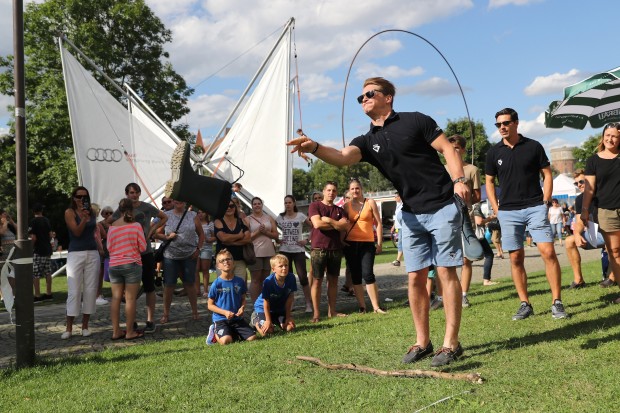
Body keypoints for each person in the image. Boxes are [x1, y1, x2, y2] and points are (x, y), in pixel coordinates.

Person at [288, 77, 468, 367]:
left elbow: (448, 149)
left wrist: (459, 181)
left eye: (369, 94)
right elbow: (342, 157)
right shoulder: (367, 141)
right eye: (360, 98)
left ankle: (451, 344)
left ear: (388, 97)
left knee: (446, 273)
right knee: (415, 277)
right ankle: (423, 342)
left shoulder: (416, 121)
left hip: (442, 205)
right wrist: (315, 146)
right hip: (410, 214)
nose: (364, 100)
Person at [485, 107, 568, 320]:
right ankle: (525, 304)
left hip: (534, 206)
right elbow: (489, 182)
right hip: (508, 211)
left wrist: (546, 200)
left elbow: (547, 174)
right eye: (498, 125)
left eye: (505, 123)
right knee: (515, 258)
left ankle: (556, 302)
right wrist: (496, 208)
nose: (502, 127)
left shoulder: (533, 146)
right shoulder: (494, 152)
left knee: (548, 252)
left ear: (516, 123)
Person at [109, 183, 168, 333]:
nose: (133, 195)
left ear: (139, 193)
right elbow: (110, 223)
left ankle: (150, 320)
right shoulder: (121, 211)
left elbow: (163, 217)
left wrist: (151, 231)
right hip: (129, 256)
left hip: (145, 252)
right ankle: (132, 322)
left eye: (136, 192)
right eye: (131, 193)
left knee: (149, 287)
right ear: (126, 194)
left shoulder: (146, 207)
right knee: (130, 292)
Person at [579, 122, 620, 304]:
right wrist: (585, 211)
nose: (611, 139)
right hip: (606, 211)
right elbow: (589, 189)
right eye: (608, 135)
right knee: (615, 252)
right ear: (603, 137)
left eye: (615, 136)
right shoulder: (593, 160)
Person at [62, 186, 102, 339]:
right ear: (73, 198)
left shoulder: (91, 212)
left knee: (91, 289)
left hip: (92, 252)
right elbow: (76, 232)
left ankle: (85, 326)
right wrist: (84, 219)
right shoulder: (69, 212)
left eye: (85, 197)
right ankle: (69, 328)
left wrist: (100, 248)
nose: (82, 200)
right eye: (79, 197)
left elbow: (94, 232)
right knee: (74, 291)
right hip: (76, 253)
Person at [447, 134, 481, 308]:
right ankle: (447, 294)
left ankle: (464, 294)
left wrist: (465, 200)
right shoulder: (442, 169)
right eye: (450, 149)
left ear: (463, 150)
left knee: (467, 258)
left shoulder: (472, 170)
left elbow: (477, 196)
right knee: (448, 257)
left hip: (466, 217)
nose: (454, 152)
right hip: (446, 218)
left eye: (457, 148)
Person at [307, 181, 349, 323]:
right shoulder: (315, 206)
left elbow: (344, 227)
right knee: (317, 281)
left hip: (335, 249)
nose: (331, 193)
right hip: (319, 249)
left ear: (336, 193)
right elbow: (317, 224)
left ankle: (333, 311)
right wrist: (336, 225)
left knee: (333, 281)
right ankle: (316, 314)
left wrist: (329, 221)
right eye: (329, 190)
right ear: (324, 191)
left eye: (334, 190)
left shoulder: (340, 210)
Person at [343, 178, 386, 313]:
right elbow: (343, 225)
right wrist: (341, 241)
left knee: (368, 274)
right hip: (351, 243)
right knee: (355, 276)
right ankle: (362, 307)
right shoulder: (346, 206)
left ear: (361, 189)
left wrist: (379, 243)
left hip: (367, 243)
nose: (355, 191)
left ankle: (376, 306)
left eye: (357, 188)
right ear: (349, 191)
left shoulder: (370, 202)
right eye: (352, 189)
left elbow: (378, 223)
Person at [107, 198, 147, 340]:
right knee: (130, 299)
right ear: (132, 210)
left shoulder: (112, 227)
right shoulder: (135, 226)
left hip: (114, 265)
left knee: (116, 298)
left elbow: (109, 248)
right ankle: (129, 332)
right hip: (132, 264)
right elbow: (143, 247)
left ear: (120, 210)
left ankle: (116, 331)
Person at [158, 199, 204, 323]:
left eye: (181, 200)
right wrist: (167, 237)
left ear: (186, 202)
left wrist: (198, 249)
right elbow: (155, 233)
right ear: (173, 201)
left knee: (190, 283)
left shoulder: (193, 215)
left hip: (189, 255)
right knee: (169, 284)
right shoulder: (166, 215)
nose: (179, 202)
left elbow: (201, 234)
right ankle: (165, 314)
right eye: (176, 200)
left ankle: (195, 312)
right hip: (170, 255)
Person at [206, 249, 256, 345]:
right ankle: (214, 330)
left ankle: (232, 331)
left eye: (229, 259)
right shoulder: (216, 284)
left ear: (233, 262)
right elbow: (210, 305)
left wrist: (242, 308)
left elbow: (243, 299)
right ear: (218, 266)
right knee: (226, 341)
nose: (226, 262)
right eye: (222, 261)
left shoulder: (240, 281)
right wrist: (224, 312)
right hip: (221, 319)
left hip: (236, 319)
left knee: (252, 338)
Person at [276, 195, 312, 312]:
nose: (288, 205)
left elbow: (314, 227)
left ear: (294, 203)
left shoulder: (301, 216)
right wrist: (276, 239)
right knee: (287, 278)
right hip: (284, 250)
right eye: (285, 203)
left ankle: (308, 304)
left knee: (302, 277)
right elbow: (271, 228)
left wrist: (307, 240)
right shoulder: (280, 217)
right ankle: (290, 303)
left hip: (298, 250)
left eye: (290, 202)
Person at [251, 254, 297, 336]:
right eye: (280, 266)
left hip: (279, 309)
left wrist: (288, 316)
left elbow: (290, 298)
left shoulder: (291, 278)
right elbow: (266, 302)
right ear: (273, 269)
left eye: (286, 265)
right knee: (267, 332)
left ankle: (276, 321)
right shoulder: (268, 282)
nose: (284, 268)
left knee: (290, 328)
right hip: (263, 308)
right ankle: (255, 321)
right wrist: (268, 321)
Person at [247, 197, 278, 303]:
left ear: (262, 205)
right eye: (254, 204)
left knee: (265, 279)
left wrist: (266, 232)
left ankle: (265, 302)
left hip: (269, 251)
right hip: (255, 252)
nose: (257, 205)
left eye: (259, 203)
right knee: (256, 280)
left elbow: (276, 235)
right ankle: (256, 304)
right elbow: (246, 237)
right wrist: (257, 232)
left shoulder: (269, 218)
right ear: (252, 206)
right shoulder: (248, 219)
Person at [213, 199, 252, 281]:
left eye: (231, 206)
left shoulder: (241, 222)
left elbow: (248, 238)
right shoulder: (218, 221)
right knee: (223, 287)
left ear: (235, 208)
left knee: (239, 287)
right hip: (223, 260)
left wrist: (231, 243)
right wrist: (239, 235)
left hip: (239, 259)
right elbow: (223, 238)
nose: (229, 208)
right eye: (226, 206)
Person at [29, 202, 54, 302]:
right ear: (41, 210)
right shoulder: (46, 220)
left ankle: (37, 295)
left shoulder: (33, 222)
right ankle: (48, 293)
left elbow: (33, 237)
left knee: (36, 274)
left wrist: (30, 248)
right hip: (47, 249)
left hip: (38, 250)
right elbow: (50, 234)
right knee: (48, 272)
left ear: (33, 211)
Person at [472, 202, 498, 287]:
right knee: (489, 255)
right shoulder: (475, 206)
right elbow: (479, 222)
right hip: (477, 236)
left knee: (467, 260)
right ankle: (486, 280)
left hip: (467, 235)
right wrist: (491, 218)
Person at [96, 205, 113, 305]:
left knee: (114, 272)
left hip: (113, 250)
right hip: (104, 249)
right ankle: (98, 294)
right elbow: (100, 237)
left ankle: (118, 293)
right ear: (102, 214)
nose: (109, 215)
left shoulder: (115, 223)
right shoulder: (100, 224)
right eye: (106, 213)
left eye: (111, 213)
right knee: (100, 273)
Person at [196, 210, 215, 298]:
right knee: (195, 269)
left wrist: (208, 239)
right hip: (195, 248)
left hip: (206, 248)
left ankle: (206, 290)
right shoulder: (195, 223)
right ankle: (197, 290)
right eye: (199, 212)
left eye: (202, 212)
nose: (200, 214)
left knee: (205, 269)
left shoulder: (210, 224)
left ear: (206, 213)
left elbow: (215, 236)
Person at [390, 192, 403, 266]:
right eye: (394, 197)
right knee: (400, 243)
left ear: (399, 197)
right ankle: (398, 260)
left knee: (401, 243)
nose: (395, 198)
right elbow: (397, 218)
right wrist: (393, 226)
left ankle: (398, 260)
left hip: (402, 227)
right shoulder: (397, 205)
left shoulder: (402, 204)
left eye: (396, 197)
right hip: (398, 227)